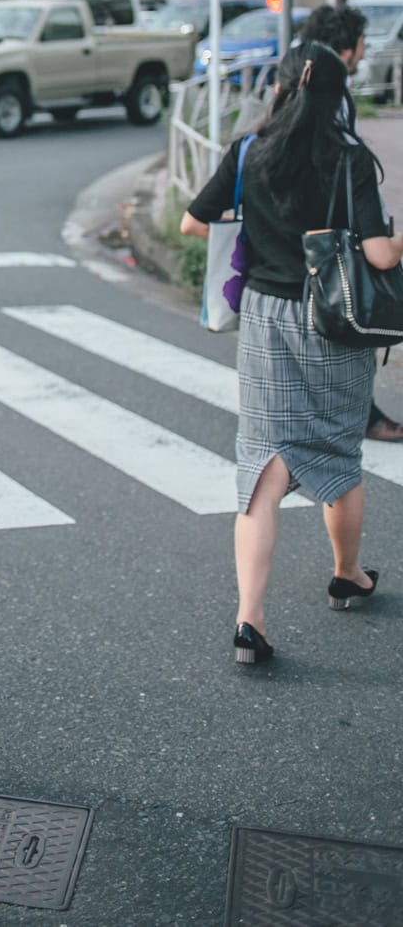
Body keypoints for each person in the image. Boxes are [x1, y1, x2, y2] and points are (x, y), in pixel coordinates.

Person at [181, 42, 403, 665]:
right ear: (338, 97)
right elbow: (382, 255)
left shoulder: (251, 151)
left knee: (264, 460)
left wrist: (251, 221)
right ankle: (347, 574)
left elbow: (193, 224)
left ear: (278, 90)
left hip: (263, 317)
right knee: (336, 446)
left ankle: (249, 619)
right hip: (330, 318)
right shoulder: (348, 159)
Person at [298, 5, 403, 442]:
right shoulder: (335, 119)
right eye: (361, 45)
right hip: (331, 251)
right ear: (346, 50)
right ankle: (355, 417)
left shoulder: (286, 103)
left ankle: (360, 414)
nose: (364, 54)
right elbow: (378, 250)